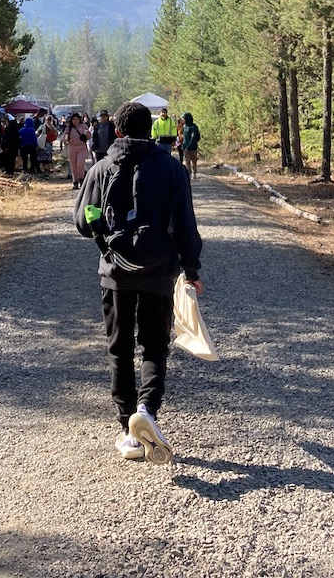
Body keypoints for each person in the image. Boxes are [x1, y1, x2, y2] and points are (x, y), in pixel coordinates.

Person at [74, 101, 203, 464]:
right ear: (153, 130)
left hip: (115, 273)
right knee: (155, 346)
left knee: (119, 349)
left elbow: (82, 223)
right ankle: (146, 409)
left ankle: (127, 429)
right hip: (160, 272)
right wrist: (192, 270)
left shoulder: (101, 168)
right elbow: (186, 224)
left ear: (116, 130)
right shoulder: (173, 169)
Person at [64, 112, 92, 189]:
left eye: (77, 119)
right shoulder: (69, 128)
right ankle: (75, 181)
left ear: (79, 119)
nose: (75, 121)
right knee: (73, 166)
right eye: (74, 119)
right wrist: (66, 140)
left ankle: (81, 178)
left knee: (80, 164)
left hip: (82, 148)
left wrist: (87, 135)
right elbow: (65, 138)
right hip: (72, 148)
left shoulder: (83, 126)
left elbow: (89, 137)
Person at [179, 111, 201, 179]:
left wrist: (189, 146)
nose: (182, 120)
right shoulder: (184, 126)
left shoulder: (193, 127)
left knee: (194, 161)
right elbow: (184, 137)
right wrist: (183, 145)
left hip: (193, 148)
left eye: (183, 118)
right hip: (185, 147)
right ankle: (189, 174)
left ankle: (194, 173)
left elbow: (193, 137)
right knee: (187, 162)